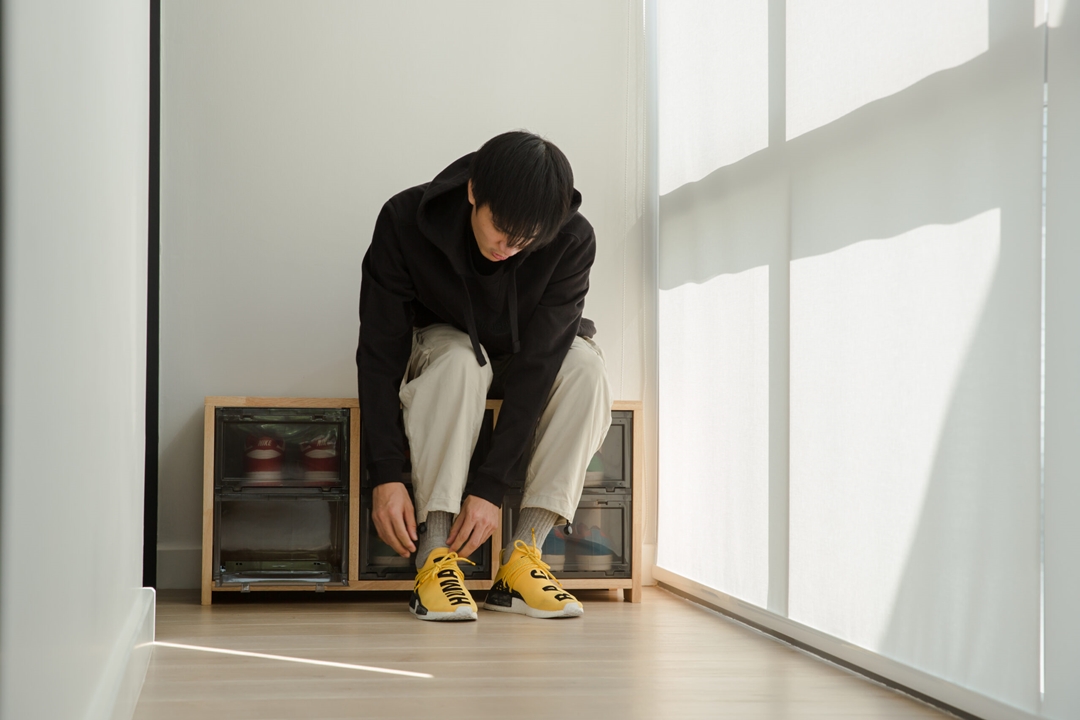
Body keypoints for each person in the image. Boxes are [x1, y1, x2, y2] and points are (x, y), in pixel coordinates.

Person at [356, 130, 612, 621]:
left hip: (524, 357)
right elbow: (379, 353)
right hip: (443, 351)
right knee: (459, 359)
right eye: (502, 230)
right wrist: (385, 475)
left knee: (586, 367)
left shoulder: (572, 238)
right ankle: (434, 556)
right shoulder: (404, 220)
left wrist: (491, 486)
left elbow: (541, 363)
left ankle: (524, 557)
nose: (510, 248)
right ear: (474, 191)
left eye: (527, 240)